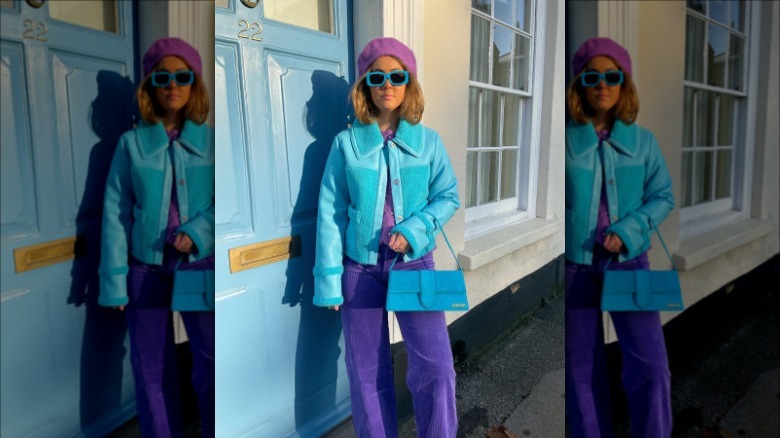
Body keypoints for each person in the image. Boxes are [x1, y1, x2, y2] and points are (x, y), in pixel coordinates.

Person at [313, 37, 460, 437]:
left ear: (408, 82)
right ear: (366, 86)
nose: (388, 84)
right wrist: (328, 281)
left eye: (397, 76)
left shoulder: (428, 142)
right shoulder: (345, 145)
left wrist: (414, 230)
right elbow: (330, 212)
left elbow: (448, 197)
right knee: (366, 376)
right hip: (359, 272)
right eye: (377, 77)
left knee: (437, 369)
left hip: (415, 265)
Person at [98, 37, 215, 438]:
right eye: (162, 76)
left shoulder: (211, 142)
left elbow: (223, 204)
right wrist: (114, 283)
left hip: (199, 266)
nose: (172, 85)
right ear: (151, 85)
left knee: (211, 362)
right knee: (151, 369)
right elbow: (115, 213)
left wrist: (198, 232)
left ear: (193, 84)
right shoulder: (130, 145)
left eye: (181, 76)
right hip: (144, 270)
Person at [564, 37, 676, 438]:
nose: (602, 84)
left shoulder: (642, 142)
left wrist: (628, 232)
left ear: (623, 83)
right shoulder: (565, 142)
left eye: (612, 76)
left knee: (651, 367)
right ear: (580, 84)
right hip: (576, 270)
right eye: (592, 76)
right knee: (581, 373)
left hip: (629, 265)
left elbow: (663, 196)